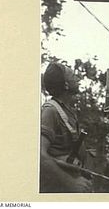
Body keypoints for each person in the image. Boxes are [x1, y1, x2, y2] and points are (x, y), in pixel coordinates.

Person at [40, 62, 92, 193]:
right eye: (73, 75)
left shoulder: (69, 112)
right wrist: (70, 182)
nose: (78, 78)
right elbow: (39, 155)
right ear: (66, 85)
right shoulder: (50, 111)